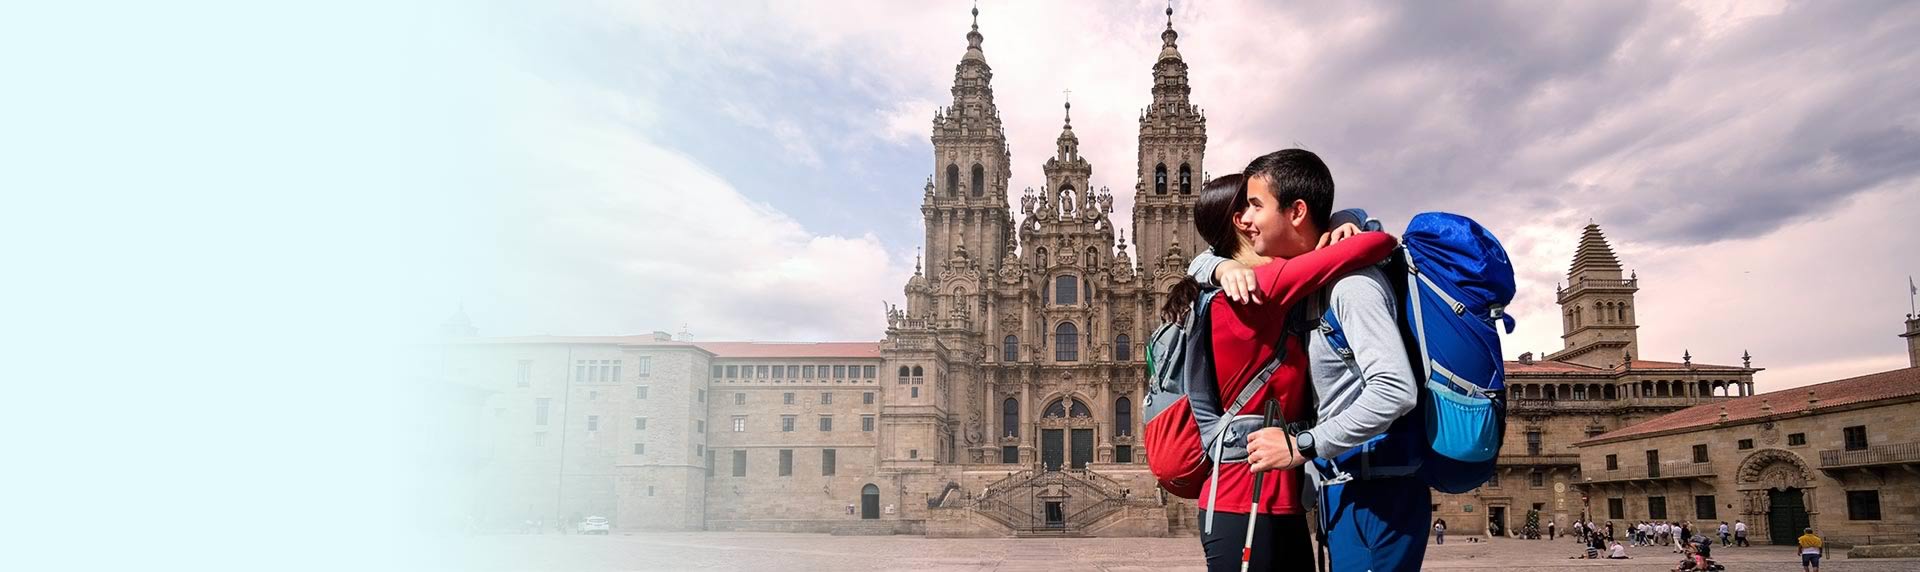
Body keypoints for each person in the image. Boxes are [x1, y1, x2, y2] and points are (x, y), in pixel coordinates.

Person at [1160, 172, 1398, 572]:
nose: (1258, 218)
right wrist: (1342, 220)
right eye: (1251, 208)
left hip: (1281, 498)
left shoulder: (1230, 285)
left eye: (1260, 206)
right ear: (1239, 226)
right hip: (1242, 499)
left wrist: (1210, 265)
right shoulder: (1262, 287)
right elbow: (1379, 243)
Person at [1206, 149, 1424, 572]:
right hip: (1343, 486)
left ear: (1297, 211)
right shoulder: (1313, 281)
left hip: (1376, 495)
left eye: (1254, 205)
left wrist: (1302, 445)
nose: (1243, 220)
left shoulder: (1351, 286)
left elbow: (1395, 390)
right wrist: (1215, 267)